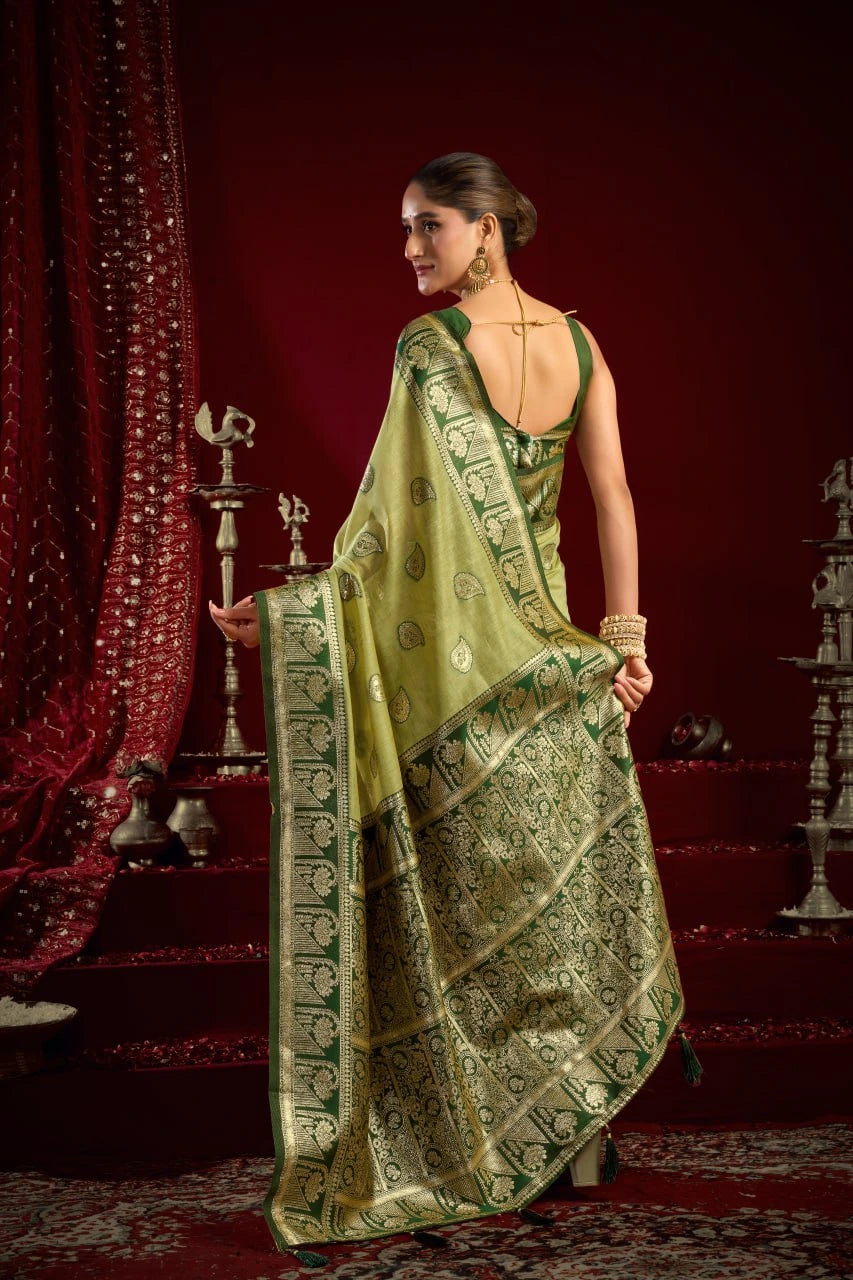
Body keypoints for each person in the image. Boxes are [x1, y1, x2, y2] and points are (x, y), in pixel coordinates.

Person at [210, 152, 687, 1256]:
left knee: (470, 913)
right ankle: (567, 1137)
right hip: (556, 670)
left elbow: (385, 539)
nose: (410, 249)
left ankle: (472, 1139)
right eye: (407, 229)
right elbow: (611, 495)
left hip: (462, 684)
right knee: (545, 915)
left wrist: (291, 616)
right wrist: (622, 644)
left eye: (428, 225)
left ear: (487, 228)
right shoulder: (580, 345)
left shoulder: (429, 349)